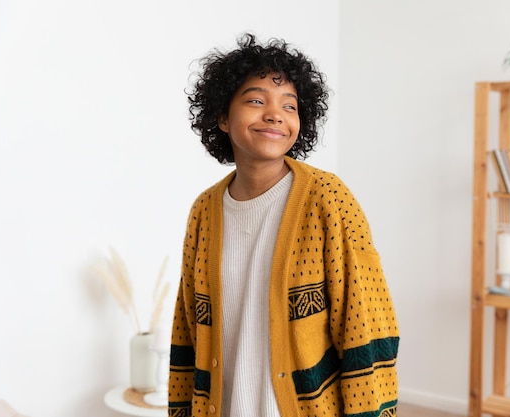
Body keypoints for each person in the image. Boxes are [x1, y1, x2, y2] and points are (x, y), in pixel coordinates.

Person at [169, 33, 399, 417]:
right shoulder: (204, 211)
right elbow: (187, 329)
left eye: (289, 106)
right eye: (256, 100)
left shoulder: (328, 198)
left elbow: (366, 323)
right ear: (223, 117)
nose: (274, 114)